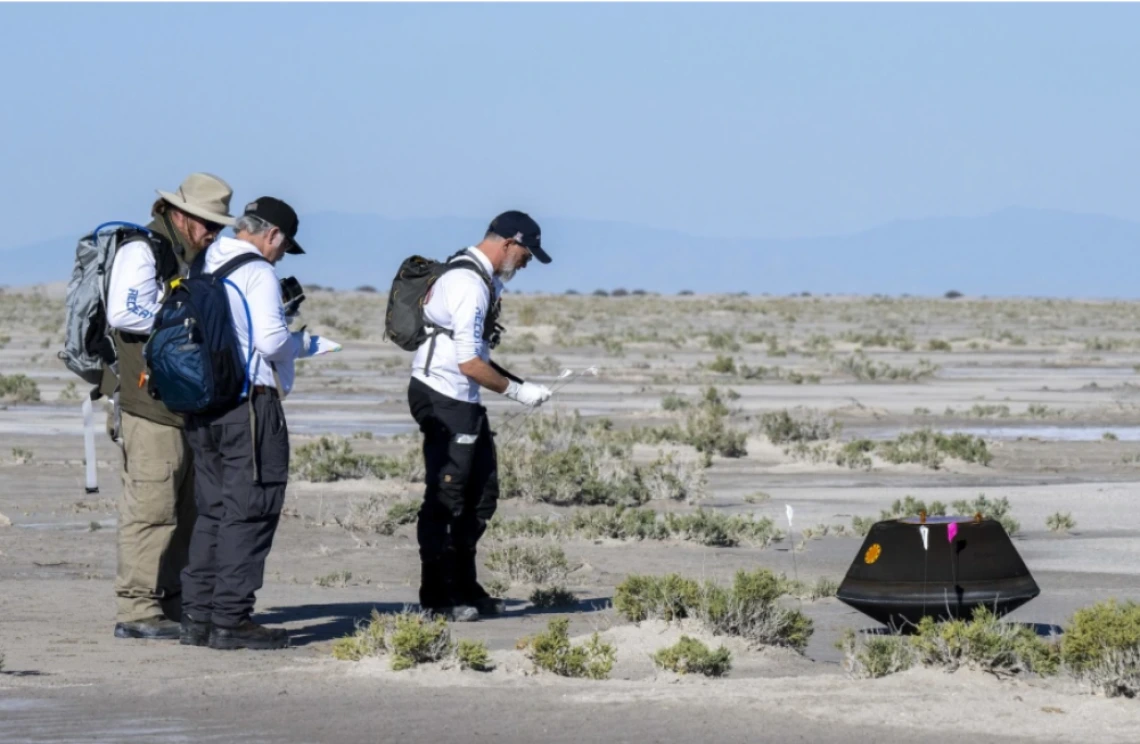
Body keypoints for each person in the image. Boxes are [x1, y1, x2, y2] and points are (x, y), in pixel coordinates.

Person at [179, 196, 337, 651]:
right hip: (249, 403)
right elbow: (270, 341)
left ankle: (198, 616)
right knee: (251, 509)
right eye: (284, 247)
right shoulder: (258, 271)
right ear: (273, 236)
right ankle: (231, 620)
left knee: (212, 509)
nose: (281, 255)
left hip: (204, 403)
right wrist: (304, 344)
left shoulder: (204, 260)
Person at [103, 172, 235, 640]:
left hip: (187, 404)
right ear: (179, 215)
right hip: (148, 406)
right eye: (207, 223)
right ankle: (137, 609)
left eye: (218, 225)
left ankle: (173, 601)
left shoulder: (194, 257)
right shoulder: (143, 250)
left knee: (189, 508)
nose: (213, 233)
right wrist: (184, 313)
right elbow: (124, 313)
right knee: (152, 507)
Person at [408, 210, 554, 622]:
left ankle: (464, 585)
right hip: (442, 395)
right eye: (527, 253)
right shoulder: (468, 283)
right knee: (447, 496)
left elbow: (475, 359)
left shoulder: (482, 279)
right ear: (508, 243)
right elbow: (469, 362)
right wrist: (518, 391)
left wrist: (517, 384)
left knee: (481, 494)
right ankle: (436, 596)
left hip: (462, 398)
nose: (527, 262)